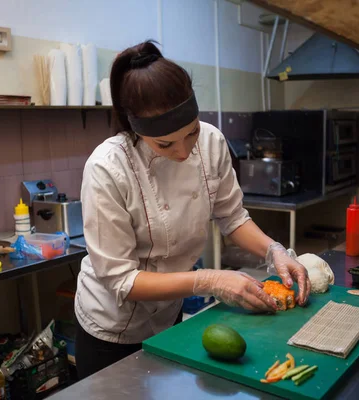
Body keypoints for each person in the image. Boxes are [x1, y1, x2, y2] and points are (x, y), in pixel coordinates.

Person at [74, 41, 311, 380]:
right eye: (165, 144)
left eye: (191, 133)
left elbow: (232, 216)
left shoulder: (212, 142)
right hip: (111, 330)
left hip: (169, 316)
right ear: (136, 131)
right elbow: (121, 280)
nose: (185, 151)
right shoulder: (108, 168)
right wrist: (210, 280)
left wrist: (274, 250)